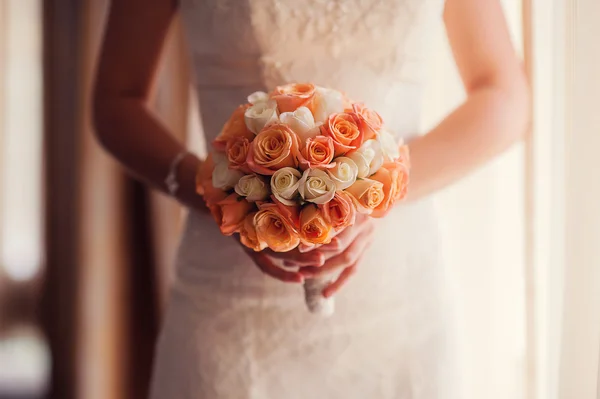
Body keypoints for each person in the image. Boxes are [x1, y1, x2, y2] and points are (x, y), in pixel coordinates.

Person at [93, 0, 529, 397]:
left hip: (398, 306)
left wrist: (381, 188)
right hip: (230, 310)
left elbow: (504, 95)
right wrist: (221, 193)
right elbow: (116, 100)